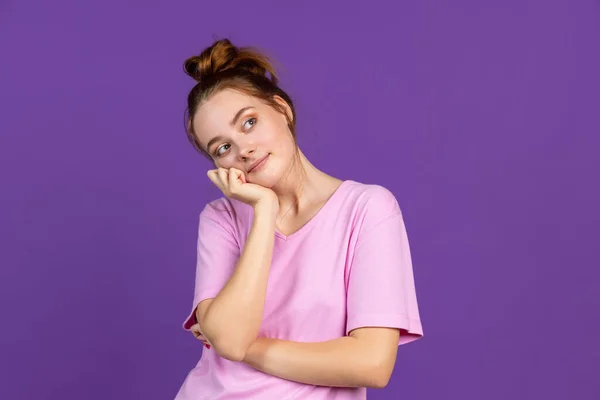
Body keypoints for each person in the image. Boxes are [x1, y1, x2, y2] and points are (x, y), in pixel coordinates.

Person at [175, 38, 424, 400]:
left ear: (282, 109)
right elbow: (228, 338)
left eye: (248, 122)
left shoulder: (367, 209)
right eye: (223, 148)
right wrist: (264, 211)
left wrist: (248, 346)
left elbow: (371, 363)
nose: (243, 151)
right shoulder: (220, 218)